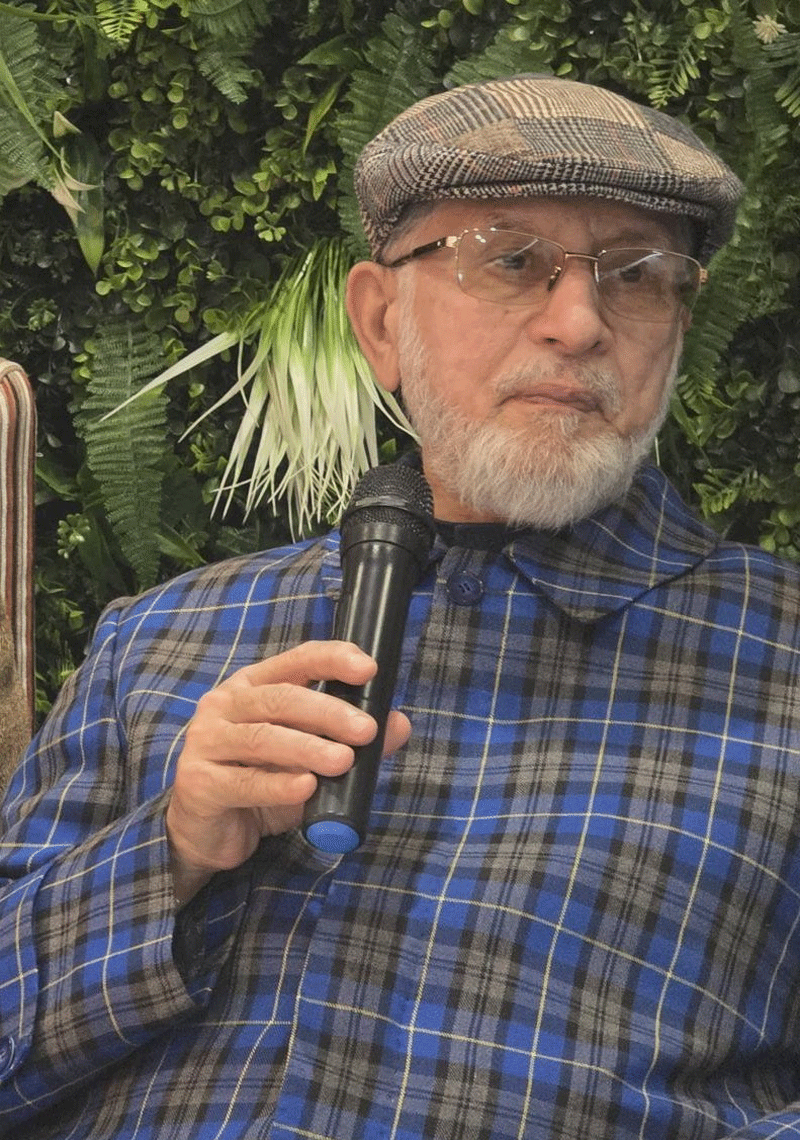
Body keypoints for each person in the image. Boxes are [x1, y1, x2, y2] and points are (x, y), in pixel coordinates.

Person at [1, 71, 798, 1140]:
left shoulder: (779, 657)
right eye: (509, 260)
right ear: (379, 321)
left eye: (637, 275)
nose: (577, 322)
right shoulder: (158, 637)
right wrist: (175, 849)